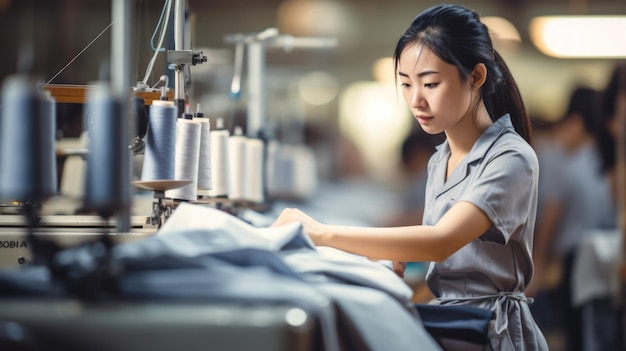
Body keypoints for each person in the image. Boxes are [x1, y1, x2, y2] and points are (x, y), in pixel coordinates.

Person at [271, 4, 548, 350]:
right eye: (405, 84)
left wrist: (322, 233)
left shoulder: (511, 157)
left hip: (490, 331)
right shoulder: (441, 159)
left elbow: (441, 240)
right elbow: (439, 254)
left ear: (476, 77)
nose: (416, 100)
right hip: (454, 322)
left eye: (430, 83)